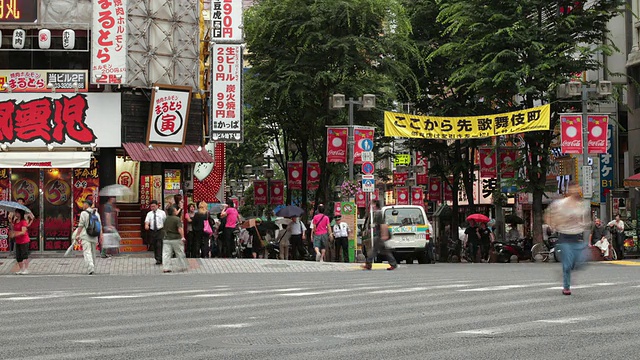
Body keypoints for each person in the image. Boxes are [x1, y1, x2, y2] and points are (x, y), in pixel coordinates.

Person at [545, 185, 591, 295]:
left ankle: (568, 271)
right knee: (567, 264)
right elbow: (548, 214)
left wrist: (585, 225)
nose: (575, 192)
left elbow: (586, 220)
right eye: (573, 190)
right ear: (569, 191)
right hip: (564, 237)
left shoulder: (582, 205)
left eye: (577, 190)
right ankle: (566, 287)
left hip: (577, 236)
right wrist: (552, 224)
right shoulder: (560, 204)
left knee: (582, 260)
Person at [363, 200, 397, 270]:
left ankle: (369, 264)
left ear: (375, 204)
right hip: (379, 234)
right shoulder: (375, 213)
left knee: (378, 250)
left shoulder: (379, 213)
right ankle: (369, 264)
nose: (371, 206)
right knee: (380, 250)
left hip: (381, 234)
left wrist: (384, 235)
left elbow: (383, 224)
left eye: (372, 204)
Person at [76, 199, 103, 275]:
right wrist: (101, 236)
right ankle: (93, 266)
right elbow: (100, 225)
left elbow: (80, 225)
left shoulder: (83, 213)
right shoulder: (96, 213)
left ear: (87, 205)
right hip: (94, 236)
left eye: (84, 204)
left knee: (87, 252)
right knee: (93, 252)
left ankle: (90, 267)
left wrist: (78, 235)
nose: (83, 205)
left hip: (85, 235)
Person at [162, 206, 188, 273]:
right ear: (173, 212)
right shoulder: (177, 219)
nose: (177, 211)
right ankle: (183, 266)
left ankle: (166, 268)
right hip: (176, 238)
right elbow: (180, 228)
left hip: (166, 238)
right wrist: (182, 237)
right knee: (179, 253)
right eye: (176, 210)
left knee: (166, 254)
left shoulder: (165, 219)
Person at [144, 200, 166, 265]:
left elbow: (165, 221)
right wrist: (146, 225)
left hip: (160, 230)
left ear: (157, 206)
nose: (152, 208)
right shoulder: (149, 214)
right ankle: (157, 258)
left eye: (154, 206)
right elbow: (147, 221)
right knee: (154, 245)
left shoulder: (162, 213)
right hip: (152, 231)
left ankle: (160, 259)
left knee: (159, 244)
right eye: (151, 207)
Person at [11, 209, 30, 274]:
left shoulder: (23, 221)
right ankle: (21, 269)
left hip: (24, 241)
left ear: (20, 214)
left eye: (16, 212)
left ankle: (26, 269)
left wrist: (15, 234)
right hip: (18, 241)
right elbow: (13, 228)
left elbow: (23, 232)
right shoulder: (16, 221)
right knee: (18, 256)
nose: (15, 214)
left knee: (24, 255)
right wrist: (10, 220)